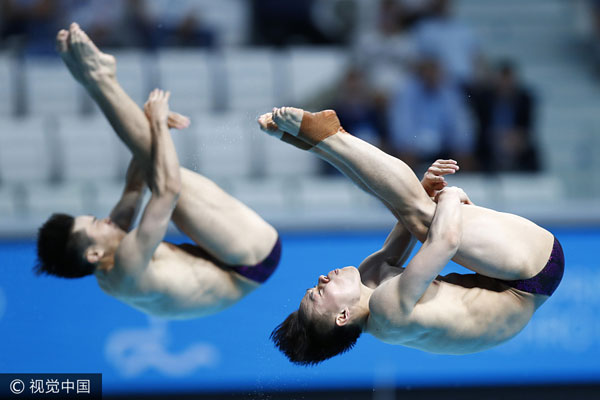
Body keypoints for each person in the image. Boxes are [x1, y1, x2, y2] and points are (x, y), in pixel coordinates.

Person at [258, 107, 563, 365]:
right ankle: (331, 137)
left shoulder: (370, 283)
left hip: (511, 280)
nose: (322, 279)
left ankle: (318, 144)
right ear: (343, 317)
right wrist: (450, 196)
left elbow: (403, 217)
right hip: (531, 276)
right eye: (319, 292)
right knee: (422, 215)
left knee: (414, 210)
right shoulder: (386, 312)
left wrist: (425, 189)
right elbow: (445, 241)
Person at [35, 23, 281, 319]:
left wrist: (155, 125)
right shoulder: (124, 267)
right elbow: (170, 189)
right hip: (252, 260)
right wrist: (158, 122)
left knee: (153, 168)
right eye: (98, 222)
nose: (108, 220)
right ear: (94, 254)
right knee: (165, 178)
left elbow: (134, 187)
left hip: (225, 261)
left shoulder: (107, 259)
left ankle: (96, 80)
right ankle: (97, 79)